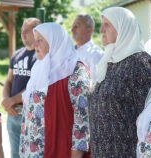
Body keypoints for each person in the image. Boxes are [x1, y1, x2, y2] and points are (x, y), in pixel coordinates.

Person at [89, 7, 151, 157]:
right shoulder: (109, 62)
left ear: (122, 28)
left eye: (107, 25)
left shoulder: (140, 63)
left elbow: (148, 115)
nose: (101, 30)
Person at [19, 23, 91, 158]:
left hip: (59, 150)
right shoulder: (39, 68)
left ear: (54, 42)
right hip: (34, 151)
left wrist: (76, 154)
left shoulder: (76, 72)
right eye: (35, 39)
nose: (35, 45)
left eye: (40, 40)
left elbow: (82, 119)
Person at [1, 17, 39, 158]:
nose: (23, 34)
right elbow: (9, 80)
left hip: (29, 113)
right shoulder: (17, 54)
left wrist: (13, 100)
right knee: (15, 154)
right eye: (22, 31)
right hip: (12, 113)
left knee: (31, 153)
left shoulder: (40, 55)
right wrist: (6, 101)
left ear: (36, 32)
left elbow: (34, 85)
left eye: (27, 31)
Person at [71, 14, 103, 81]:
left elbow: (96, 85)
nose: (72, 29)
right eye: (72, 26)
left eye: (76, 26)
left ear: (89, 30)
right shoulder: (69, 52)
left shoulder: (96, 54)